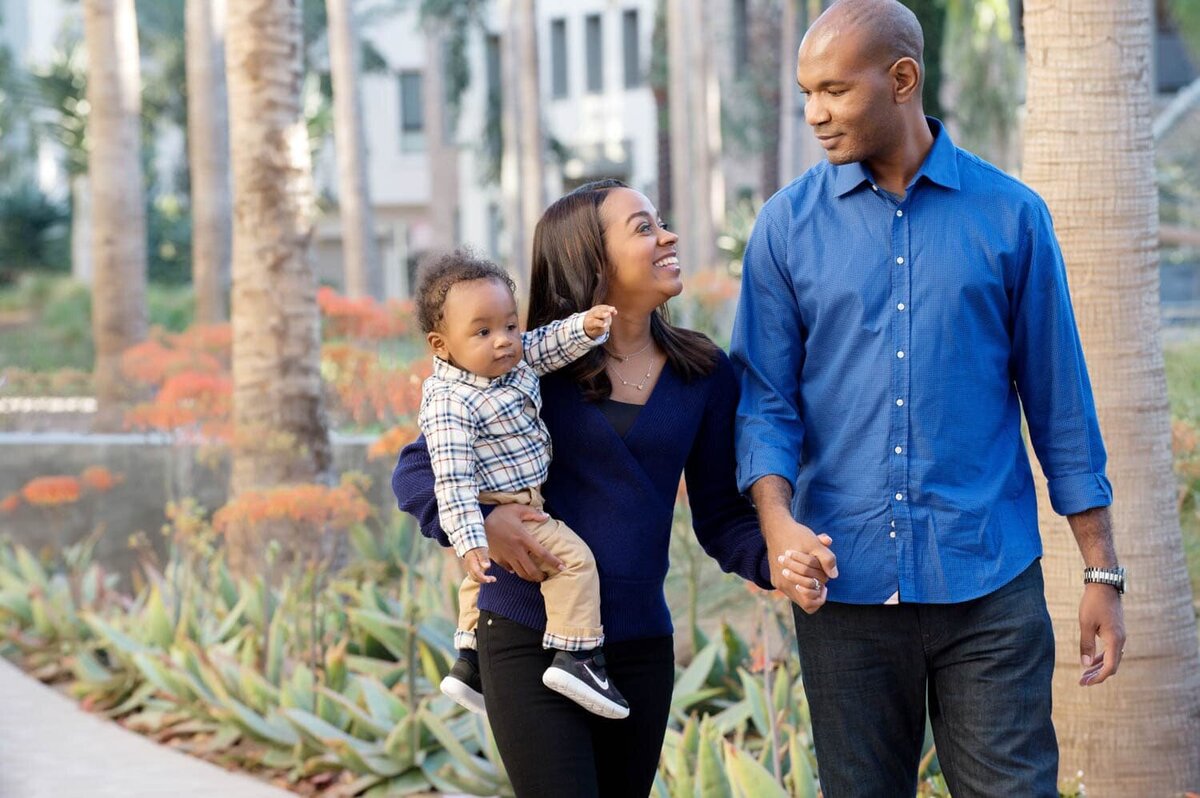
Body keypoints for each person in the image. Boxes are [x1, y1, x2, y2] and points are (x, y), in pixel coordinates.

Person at [730, 1, 1127, 796]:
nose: (815, 114)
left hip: (989, 585)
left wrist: (1101, 573)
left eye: (835, 91)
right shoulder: (784, 228)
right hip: (844, 591)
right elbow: (765, 404)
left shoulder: (1012, 217)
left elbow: (1060, 405)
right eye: (807, 92)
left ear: (902, 79)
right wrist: (778, 529)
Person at [394, 179, 793, 798]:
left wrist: (781, 564)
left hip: (638, 646)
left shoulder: (704, 373)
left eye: (660, 222)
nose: (668, 236)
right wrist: (484, 523)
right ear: (591, 259)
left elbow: (720, 515)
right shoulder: (524, 366)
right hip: (528, 634)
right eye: (643, 227)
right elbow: (418, 471)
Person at [413, 249, 630, 719]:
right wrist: (472, 537)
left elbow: (546, 344)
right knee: (572, 562)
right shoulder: (451, 402)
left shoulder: (509, 363)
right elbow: (451, 481)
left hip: (516, 498)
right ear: (440, 344)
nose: (505, 341)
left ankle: (468, 663)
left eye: (510, 325)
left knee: (479, 583)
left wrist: (584, 328)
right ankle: (577, 656)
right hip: (509, 506)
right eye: (483, 331)